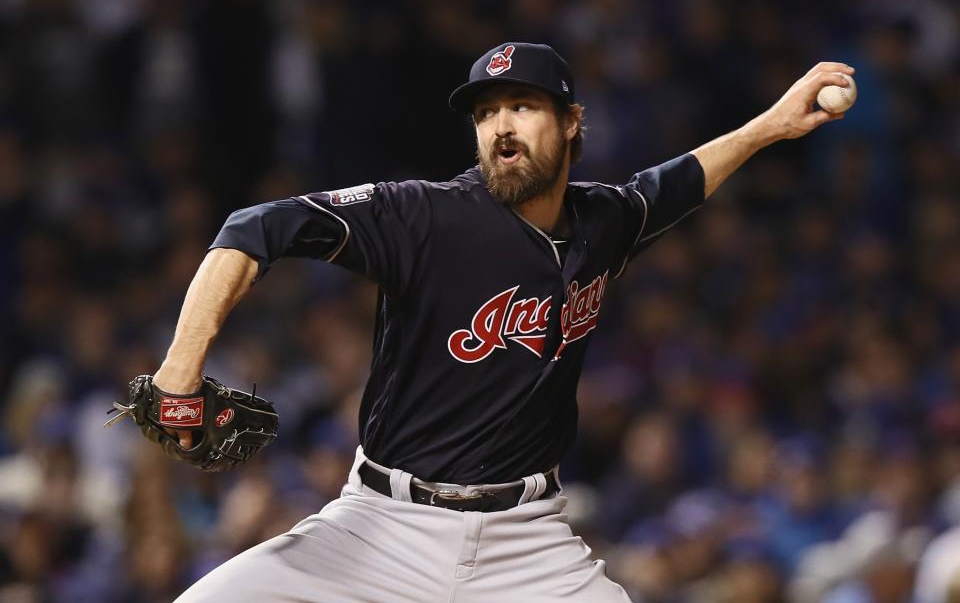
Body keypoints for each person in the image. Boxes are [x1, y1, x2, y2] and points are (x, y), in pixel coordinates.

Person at [156, 42, 853, 602]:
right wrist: (179, 371)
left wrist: (770, 127)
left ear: (572, 121)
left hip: (529, 542)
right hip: (381, 526)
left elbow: (681, 181)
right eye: (487, 113)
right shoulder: (424, 216)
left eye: (522, 105)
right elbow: (252, 229)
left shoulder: (605, 220)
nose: (501, 127)